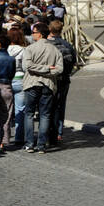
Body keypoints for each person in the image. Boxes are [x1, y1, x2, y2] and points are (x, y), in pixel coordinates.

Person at [20, 23, 63, 152]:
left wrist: (38, 69)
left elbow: (27, 66)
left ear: (40, 34)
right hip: (48, 84)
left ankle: (29, 143)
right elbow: (59, 69)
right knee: (45, 115)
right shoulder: (55, 50)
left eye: (34, 32)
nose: (32, 34)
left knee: (29, 114)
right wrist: (47, 70)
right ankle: (41, 145)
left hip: (32, 83)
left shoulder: (30, 49)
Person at [47, 20, 77, 145]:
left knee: (48, 106)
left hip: (49, 78)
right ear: (61, 30)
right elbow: (73, 61)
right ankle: (58, 132)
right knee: (60, 106)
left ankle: (48, 132)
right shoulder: (68, 45)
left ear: (50, 30)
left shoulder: (46, 44)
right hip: (64, 79)